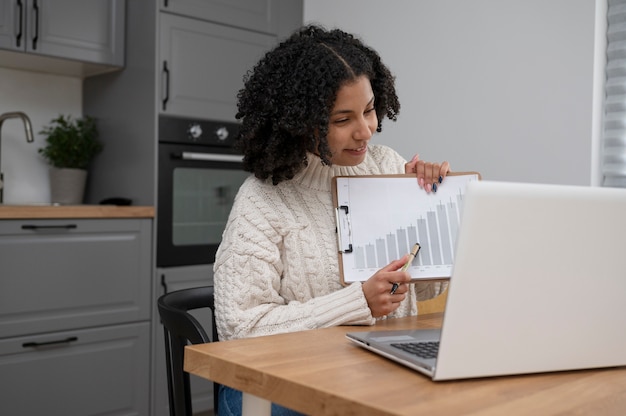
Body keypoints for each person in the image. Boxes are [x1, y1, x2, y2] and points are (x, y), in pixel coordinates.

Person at [213, 24, 450, 415]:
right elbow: (241, 328)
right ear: (299, 121)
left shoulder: (387, 166)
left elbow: (423, 291)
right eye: (343, 120)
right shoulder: (262, 200)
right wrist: (357, 301)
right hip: (284, 383)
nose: (366, 131)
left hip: (378, 372)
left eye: (370, 109)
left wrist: (431, 213)